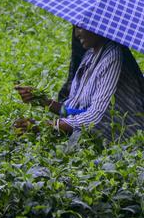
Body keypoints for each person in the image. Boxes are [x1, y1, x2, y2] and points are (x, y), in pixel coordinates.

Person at [15, 26, 144, 143]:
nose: (76, 34)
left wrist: (45, 125)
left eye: (80, 27)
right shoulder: (90, 54)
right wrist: (41, 100)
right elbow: (73, 108)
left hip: (122, 138)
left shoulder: (114, 56)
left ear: (98, 25)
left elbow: (95, 116)